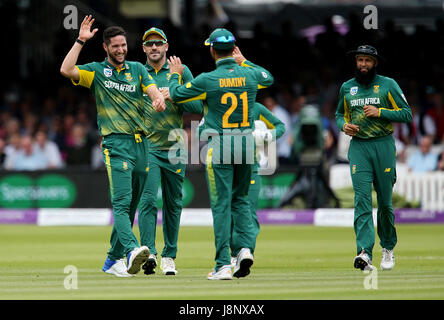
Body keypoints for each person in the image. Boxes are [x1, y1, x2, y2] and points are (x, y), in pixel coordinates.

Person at [60, 15, 166, 277]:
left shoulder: (138, 69)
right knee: (121, 203)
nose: (121, 50)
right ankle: (131, 249)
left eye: (123, 45)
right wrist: (79, 41)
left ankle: (112, 260)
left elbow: (152, 88)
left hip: (142, 143)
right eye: (115, 46)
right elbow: (66, 69)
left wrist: (157, 100)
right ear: (105, 47)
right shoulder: (96, 71)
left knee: (132, 205)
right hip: (115, 142)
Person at [168, 28, 274, 280]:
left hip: (221, 145)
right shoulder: (249, 75)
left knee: (221, 205)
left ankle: (223, 265)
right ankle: (244, 249)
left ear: (212, 50)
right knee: (241, 201)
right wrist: (244, 60)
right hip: (247, 145)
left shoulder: (208, 78)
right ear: (234, 49)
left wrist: (174, 76)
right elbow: (268, 78)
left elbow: (175, 95)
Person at [335, 45, 412, 272]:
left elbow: (406, 113)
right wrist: (343, 126)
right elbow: (339, 114)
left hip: (383, 146)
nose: (363, 65)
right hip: (359, 147)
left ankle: (387, 247)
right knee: (362, 201)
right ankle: (364, 252)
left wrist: (380, 112)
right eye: (360, 60)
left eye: (367, 61)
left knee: (386, 203)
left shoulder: (388, 85)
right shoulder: (347, 87)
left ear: (375, 63)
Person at [137, 27, 203, 276]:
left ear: (166, 46)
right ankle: (149, 253)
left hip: (175, 146)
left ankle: (169, 256)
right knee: (147, 201)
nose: (154, 47)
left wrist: (173, 93)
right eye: (149, 44)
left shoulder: (180, 71)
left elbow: (199, 105)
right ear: (144, 48)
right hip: (147, 146)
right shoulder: (137, 72)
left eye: (158, 43)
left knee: (174, 203)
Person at [230, 101, 285, 266]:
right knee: (229, 212)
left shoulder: (257, 108)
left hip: (252, 166)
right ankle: (233, 254)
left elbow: (280, 126)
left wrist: (267, 136)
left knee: (249, 210)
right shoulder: (222, 104)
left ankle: (246, 251)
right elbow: (202, 130)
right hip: (226, 166)